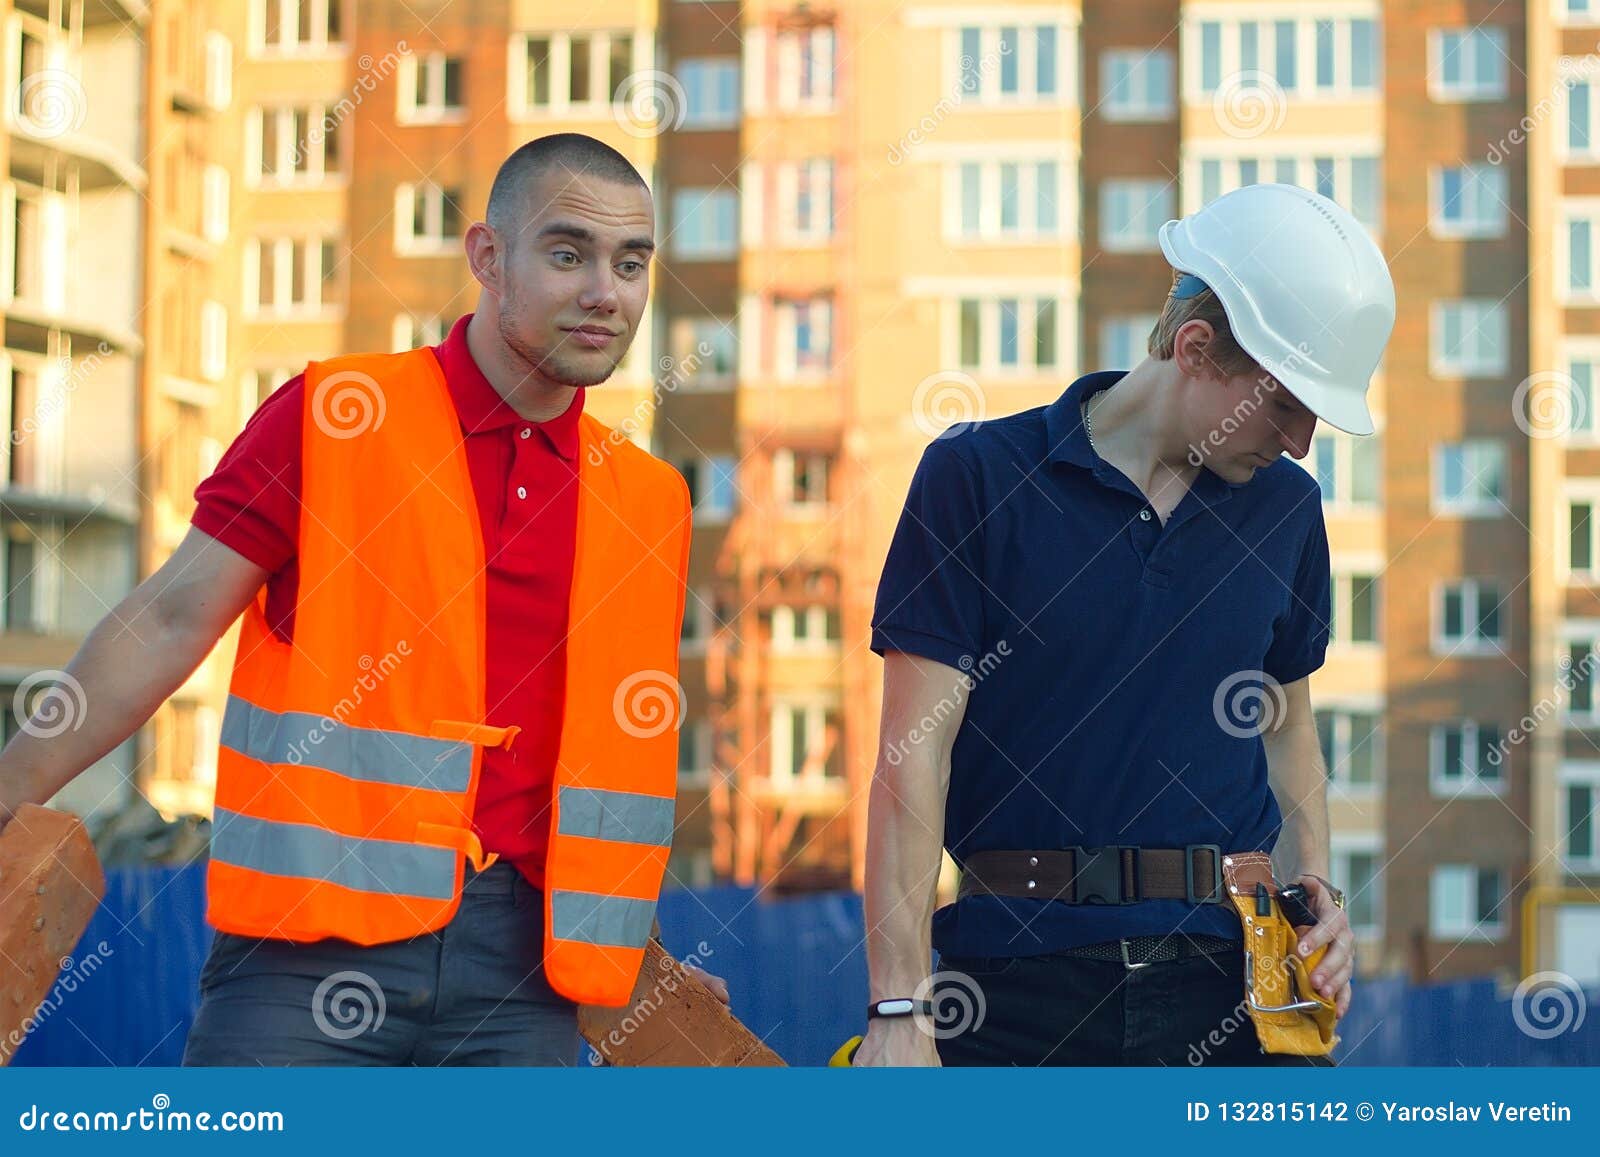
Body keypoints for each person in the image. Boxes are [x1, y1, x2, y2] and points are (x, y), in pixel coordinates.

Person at [0, 132, 723, 1065]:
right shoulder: (338, 416)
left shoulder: (652, 503)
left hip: (524, 990)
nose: (605, 292)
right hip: (304, 958)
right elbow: (170, 617)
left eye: (631, 263)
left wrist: (639, 957)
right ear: (487, 257)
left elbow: (594, 763)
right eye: (568, 252)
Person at [856, 184, 1394, 1066]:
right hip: (1013, 989)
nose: (1300, 442)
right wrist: (897, 1003)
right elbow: (912, 753)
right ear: (1197, 349)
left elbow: (1287, 733)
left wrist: (1319, 890)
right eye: (1287, 405)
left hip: (1235, 990)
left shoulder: (1288, 510)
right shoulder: (977, 479)